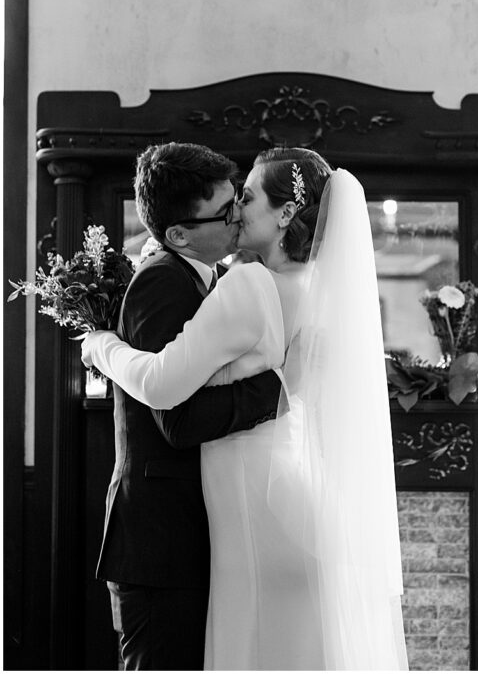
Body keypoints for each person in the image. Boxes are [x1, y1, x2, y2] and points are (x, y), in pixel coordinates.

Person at [83, 147, 407, 670]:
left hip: (251, 504)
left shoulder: (250, 283)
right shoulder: (311, 284)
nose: (236, 210)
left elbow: (163, 387)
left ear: (284, 214)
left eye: (246, 198)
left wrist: (100, 346)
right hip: (290, 495)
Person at [88, 142, 284, 670]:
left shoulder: (210, 279)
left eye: (237, 200)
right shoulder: (161, 281)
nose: (238, 216)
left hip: (188, 536)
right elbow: (179, 420)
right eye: (224, 211)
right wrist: (279, 389)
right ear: (178, 234)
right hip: (160, 544)